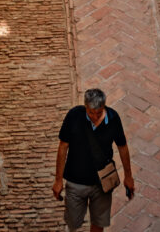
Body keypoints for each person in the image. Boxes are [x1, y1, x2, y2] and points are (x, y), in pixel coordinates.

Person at [53, 87, 134, 232]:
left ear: (104, 106)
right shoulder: (74, 116)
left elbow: (122, 147)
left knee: (98, 223)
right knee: (73, 222)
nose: (95, 117)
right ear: (85, 107)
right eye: (91, 113)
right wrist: (58, 180)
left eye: (99, 112)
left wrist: (128, 176)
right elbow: (63, 147)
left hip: (102, 183)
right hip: (75, 182)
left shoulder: (113, 118)